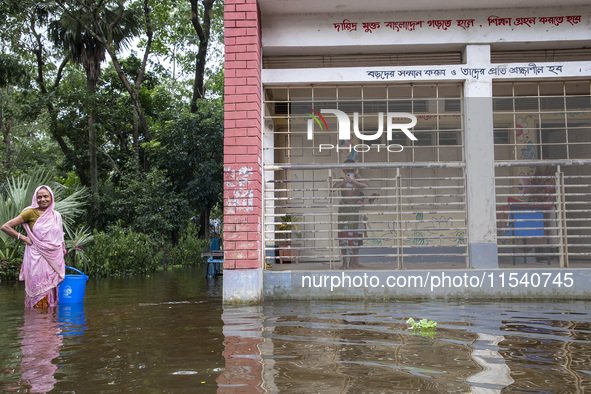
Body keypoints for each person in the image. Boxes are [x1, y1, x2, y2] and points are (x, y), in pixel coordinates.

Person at [1, 185, 66, 308]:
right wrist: (23, 237)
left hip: (53, 258)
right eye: (39, 197)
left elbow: (59, 237)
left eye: (46, 196)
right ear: (35, 199)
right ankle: (37, 323)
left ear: (51, 197)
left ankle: (49, 325)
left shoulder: (56, 215)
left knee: (51, 291)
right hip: (36, 258)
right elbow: (5, 227)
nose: (43, 199)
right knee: (38, 291)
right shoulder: (30, 212)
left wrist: (60, 251)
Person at [333, 160, 368, 269]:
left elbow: (366, 186)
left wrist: (354, 181)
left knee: (354, 234)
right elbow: (333, 188)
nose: (350, 172)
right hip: (344, 207)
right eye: (348, 170)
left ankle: (352, 262)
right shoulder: (341, 179)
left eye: (352, 170)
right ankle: (344, 262)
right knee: (343, 234)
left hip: (354, 208)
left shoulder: (357, 178)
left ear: (355, 170)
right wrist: (344, 182)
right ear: (344, 171)